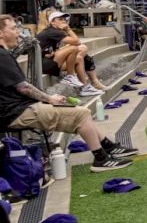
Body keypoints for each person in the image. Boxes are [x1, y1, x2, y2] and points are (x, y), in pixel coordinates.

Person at [0, 14, 135, 171]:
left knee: (81, 112)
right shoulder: (2, 56)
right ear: (1, 33)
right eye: (13, 28)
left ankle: (108, 147)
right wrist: (49, 98)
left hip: (16, 109)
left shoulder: (4, 54)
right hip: (14, 113)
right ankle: (101, 159)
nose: (18, 32)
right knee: (81, 114)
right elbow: (24, 87)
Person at [37, 11, 103, 97]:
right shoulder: (52, 31)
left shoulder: (54, 31)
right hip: (44, 65)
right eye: (60, 19)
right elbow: (77, 41)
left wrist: (52, 52)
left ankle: (85, 88)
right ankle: (70, 76)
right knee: (74, 48)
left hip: (49, 62)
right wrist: (68, 29)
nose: (63, 21)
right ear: (52, 22)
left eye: (64, 19)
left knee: (79, 59)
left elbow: (49, 49)